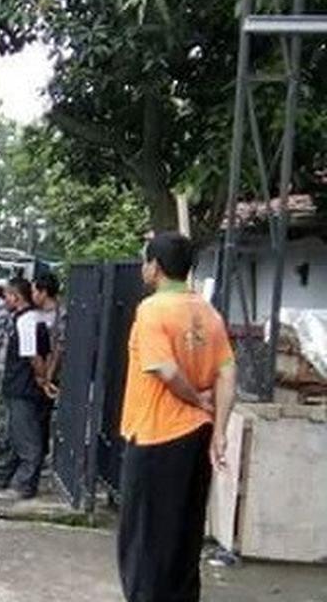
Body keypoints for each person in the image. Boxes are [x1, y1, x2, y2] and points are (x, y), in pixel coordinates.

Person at [118, 232, 235, 602]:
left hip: (156, 437)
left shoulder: (152, 310)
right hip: (197, 439)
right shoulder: (209, 313)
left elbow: (164, 370)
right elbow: (228, 372)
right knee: (184, 537)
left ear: (155, 267)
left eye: (145, 260)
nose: (143, 267)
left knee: (145, 542)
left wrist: (196, 398)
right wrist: (219, 431)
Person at [0, 276, 51, 500]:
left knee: (27, 442)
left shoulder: (26, 321)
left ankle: (23, 486)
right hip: (23, 387)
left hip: (23, 388)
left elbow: (34, 357)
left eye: (7, 295)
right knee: (17, 436)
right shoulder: (32, 318)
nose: (4, 300)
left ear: (16, 297)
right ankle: (2, 477)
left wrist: (42, 379)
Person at [32, 272, 65, 399]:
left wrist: (48, 377)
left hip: (50, 377)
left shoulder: (61, 316)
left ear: (43, 293)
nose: (32, 295)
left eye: (34, 291)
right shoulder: (32, 313)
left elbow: (59, 348)